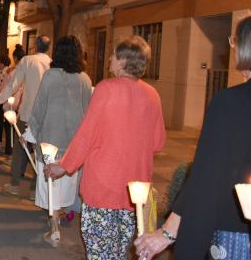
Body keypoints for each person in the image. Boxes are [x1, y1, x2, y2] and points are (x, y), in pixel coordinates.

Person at [135, 16, 251, 260]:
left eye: (234, 42)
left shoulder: (231, 103)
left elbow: (206, 178)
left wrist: (167, 233)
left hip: (236, 237)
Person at [44, 35, 166, 260]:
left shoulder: (106, 88)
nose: (109, 58)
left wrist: (64, 166)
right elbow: (158, 142)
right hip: (135, 192)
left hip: (103, 187)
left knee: (100, 251)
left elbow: (87, 135)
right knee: (121, 252)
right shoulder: (153, 95)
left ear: (122, 61)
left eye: (113, 54)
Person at [26, 36, 92, 248]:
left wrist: (29, 134)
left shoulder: (50, 76)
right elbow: (89, 113)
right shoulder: (85, 79)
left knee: (49, 184)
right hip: (73, 145)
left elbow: (39, 108)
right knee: (66, 186)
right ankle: (58, 217)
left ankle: (54, 225)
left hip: (49, 142)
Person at [0, 35, 52, 196]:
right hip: (45, 115)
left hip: (28, 113)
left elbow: (12, 86)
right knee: (41, 152)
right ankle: (34, 190)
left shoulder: (27, 61)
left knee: (19, 148)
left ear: (35, 46)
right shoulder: (52, 64)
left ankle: (14, 184)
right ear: (49, 48)